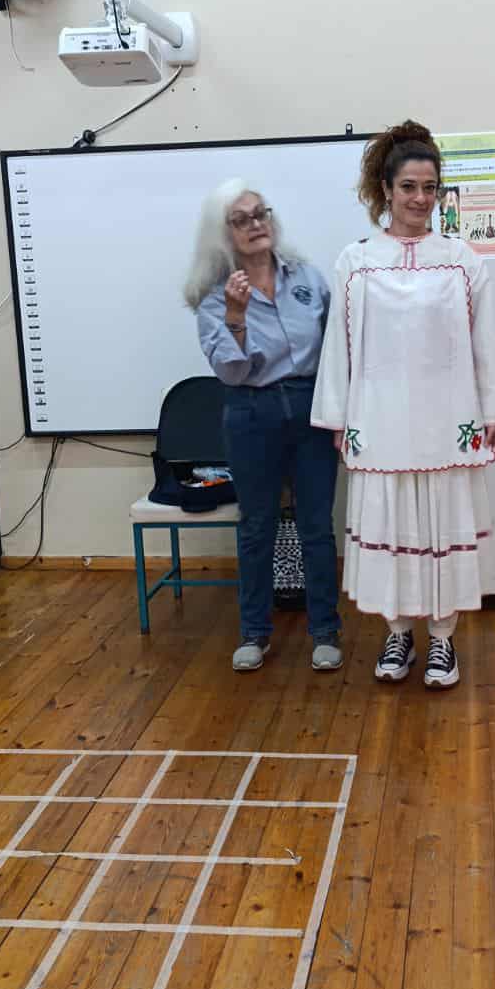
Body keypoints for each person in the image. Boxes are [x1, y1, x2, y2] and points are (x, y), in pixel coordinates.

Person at [311, 121, 495, 690]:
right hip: (380, 421)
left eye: (429, 188)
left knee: (443, 530)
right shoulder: (355, 261)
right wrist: (338, 417)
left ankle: (443, 640)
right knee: (392, 530)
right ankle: (398, 632)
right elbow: (339, 346)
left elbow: (484, 341)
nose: (420, 199)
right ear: (386, 188)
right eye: (408, 187)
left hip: (447, 422)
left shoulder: (461, 260)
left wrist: (494, 411)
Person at [187, 181, 342, 674]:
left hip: (311, 408)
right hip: (251, 411)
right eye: (242, 219)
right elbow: (230, 372)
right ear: (223, 234)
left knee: (316, 525)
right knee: (257, 527)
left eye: (261, 213)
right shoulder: (214, 298)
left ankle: (325, 632)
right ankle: (254, 633)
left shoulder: (307, 277)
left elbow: (338, 347)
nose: (256, 224)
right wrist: (236, 315)